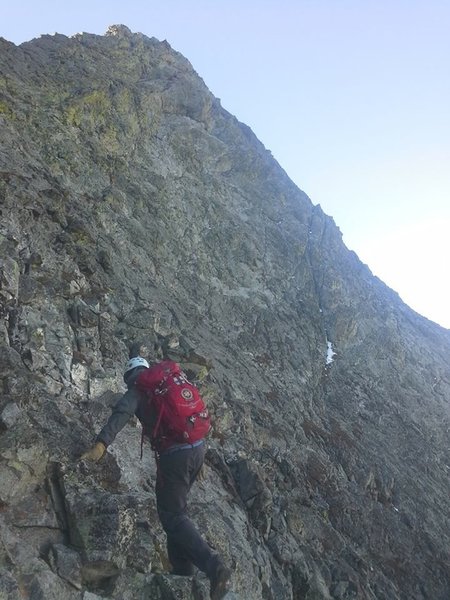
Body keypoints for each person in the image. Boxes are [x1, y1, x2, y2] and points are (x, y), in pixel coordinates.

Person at [81, 356, 232, 600]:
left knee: (172, 516)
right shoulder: (167, 382)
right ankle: (183, 573)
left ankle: (215, 567)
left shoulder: (139, 390)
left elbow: (121, 413)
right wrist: (198, 457)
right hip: (197, 449)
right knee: (176, 514)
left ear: (130, 377)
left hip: (175, 457)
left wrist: (101, 444)